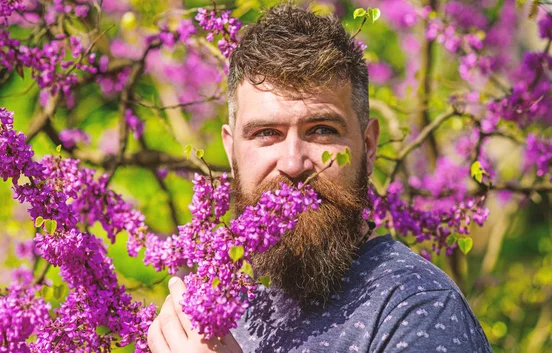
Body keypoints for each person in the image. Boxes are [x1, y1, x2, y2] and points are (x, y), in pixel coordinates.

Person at [147, 3, 493, 353]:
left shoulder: (418, 307)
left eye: (322, 130)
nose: (294, 164)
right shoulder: (213, 310)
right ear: (231, 152)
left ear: (369, 146)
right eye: (267, 133)